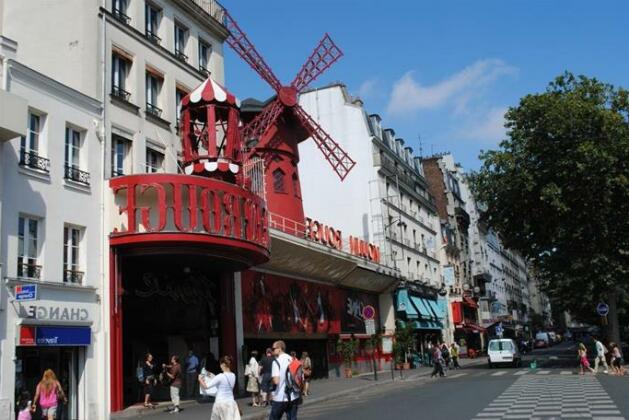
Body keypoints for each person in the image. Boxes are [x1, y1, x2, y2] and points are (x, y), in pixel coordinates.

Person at [198, 355, 241, 420]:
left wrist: (200, 379)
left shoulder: (220, 376)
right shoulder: (233, 375)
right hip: (231, 403)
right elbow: (220, 382)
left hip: (220, 403)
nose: (220, 366)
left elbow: (206, 386)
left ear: (223, 364)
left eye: (220, 364)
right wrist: (210, 374)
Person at [269, 340, 300, 420]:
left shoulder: (276, 361)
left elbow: (276, 381)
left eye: (273, 349)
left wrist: (271, 380)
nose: (272, 351)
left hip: (280, 397)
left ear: (279, 348)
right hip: (293, 396)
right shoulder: (292, 359)